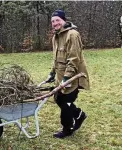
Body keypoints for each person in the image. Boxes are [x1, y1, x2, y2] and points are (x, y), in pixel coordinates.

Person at [46, 9, 90, 139]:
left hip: (72, 76)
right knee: (58, 99)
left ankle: (67, 129)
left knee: (66, 104)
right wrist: (52, 73)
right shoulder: (56, 36)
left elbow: (74, 59)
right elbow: (56, 58)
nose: (55, 23)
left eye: (57, 20)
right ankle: (79, 114)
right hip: (60, 77)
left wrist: (67, 78)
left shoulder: (73, 34)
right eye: (53, 21)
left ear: (64, 20)